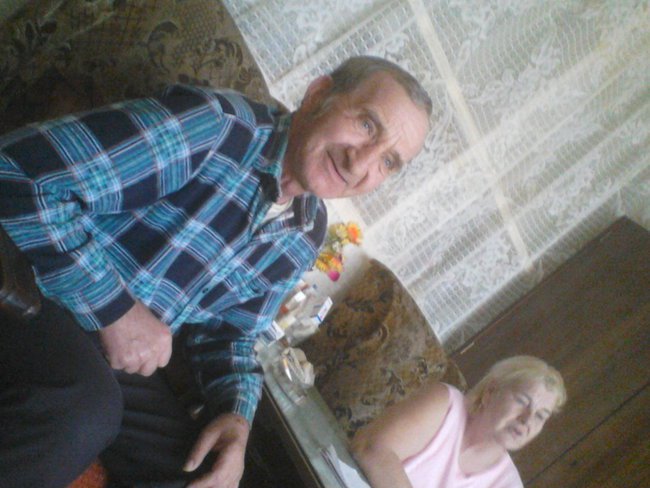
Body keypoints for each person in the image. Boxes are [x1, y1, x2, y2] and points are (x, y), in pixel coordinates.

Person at [0, 56, 431, 487]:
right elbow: (18, 173)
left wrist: (237, 416)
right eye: (367, 125)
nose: (361, 164)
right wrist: (115, 308)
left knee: (201, 476)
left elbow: (233, 334)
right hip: (34, 283)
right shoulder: (215, 127)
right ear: (318, 95)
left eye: (388, 162)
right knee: (86, 410)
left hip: (112, 355)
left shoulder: (306, 231)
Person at [351, 356, 567, 488]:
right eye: (522, 401)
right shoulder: (445, 405)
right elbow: (371, 448)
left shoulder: (507, 484)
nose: (527, 419)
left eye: (540, 415)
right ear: (491, 392)